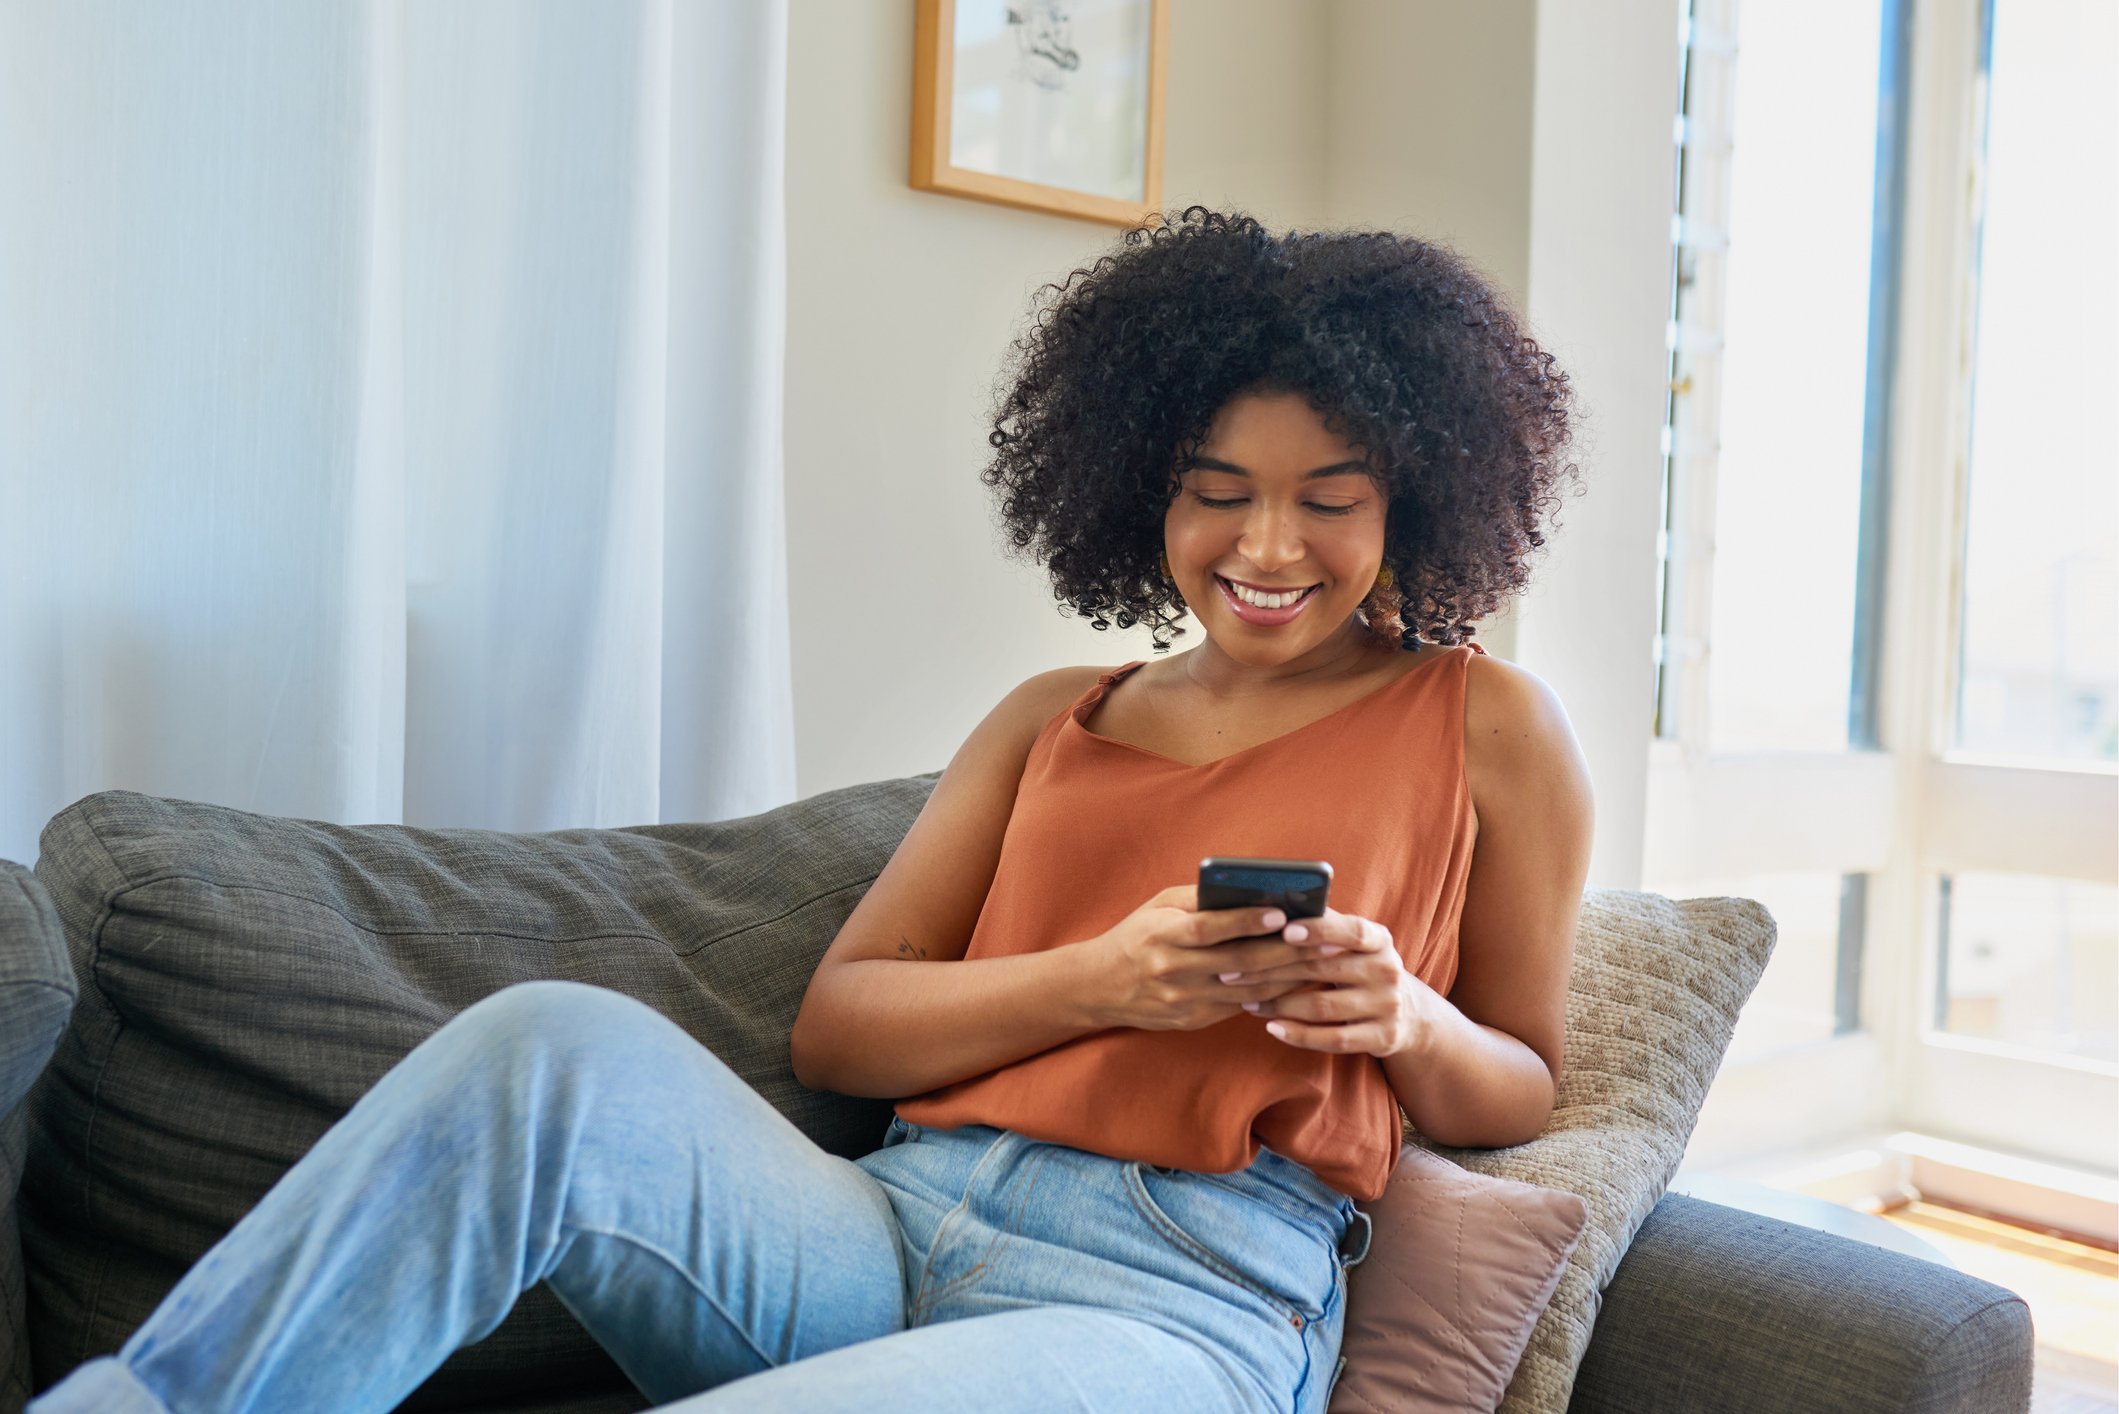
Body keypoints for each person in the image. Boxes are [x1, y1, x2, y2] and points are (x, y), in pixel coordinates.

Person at [30, 207, 1594, 1414]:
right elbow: (841, 1029)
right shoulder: (1056, 716)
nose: (1266, 542)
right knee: (547, 1047)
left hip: (1172, 1305)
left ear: (1418, 498)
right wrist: (1102, 980)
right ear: (1138, 488)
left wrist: (1398, 1016)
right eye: (1214, 487)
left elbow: (1519, 1085)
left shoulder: (1491, 727)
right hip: (886, 1221)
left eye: (1329, 497)